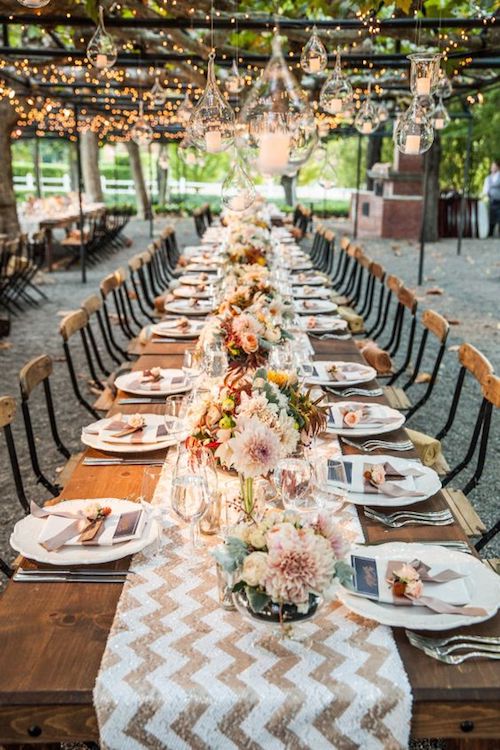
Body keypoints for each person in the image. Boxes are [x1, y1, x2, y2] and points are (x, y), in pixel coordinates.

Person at [482, 160, 500, 237]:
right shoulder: (488, 178)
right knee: (491, 217)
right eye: (492, 166)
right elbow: (485, 189)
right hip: (492, 200)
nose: (493, 168)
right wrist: (484, 195)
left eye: (494, 166)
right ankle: (490, 233)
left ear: (498, 167)